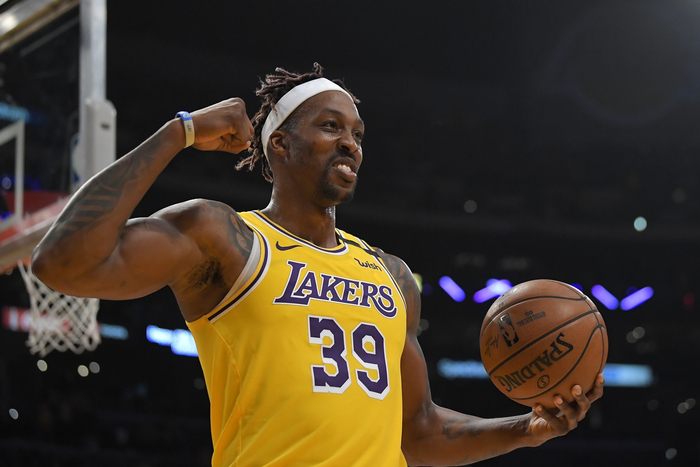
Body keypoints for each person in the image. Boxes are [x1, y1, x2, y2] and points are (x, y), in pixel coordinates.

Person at [32, 63, 604, 466]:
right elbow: (62, 263)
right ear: (279, 144)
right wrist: (177, 133)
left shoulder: (392, 275)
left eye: (357, 133)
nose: (351, 143)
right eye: (331, 127)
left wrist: (525, 430)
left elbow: (419, 431)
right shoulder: (224, 237)